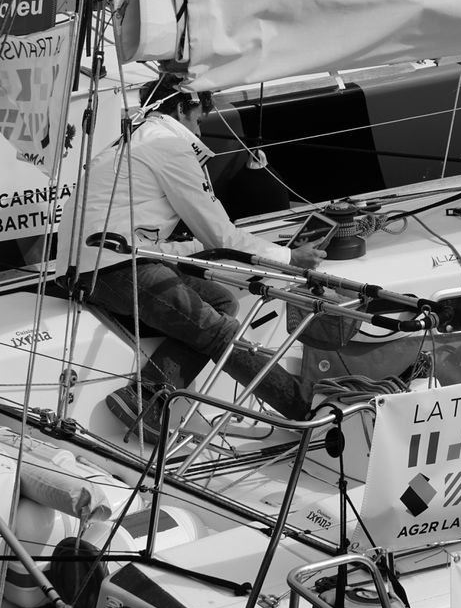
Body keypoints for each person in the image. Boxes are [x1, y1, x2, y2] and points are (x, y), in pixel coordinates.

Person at [56, 76, 326, 438]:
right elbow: (219, 233)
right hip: (111, 267)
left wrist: (204, 248)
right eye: (200, 117)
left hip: (96, 264)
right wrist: (289, 257)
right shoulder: (167, 144)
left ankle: (146, 397)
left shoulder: (137, 137)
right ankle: (302, 408)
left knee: (220, 301)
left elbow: (166, 239)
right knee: (218, 331)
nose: (201, 127)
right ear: (183, 107)